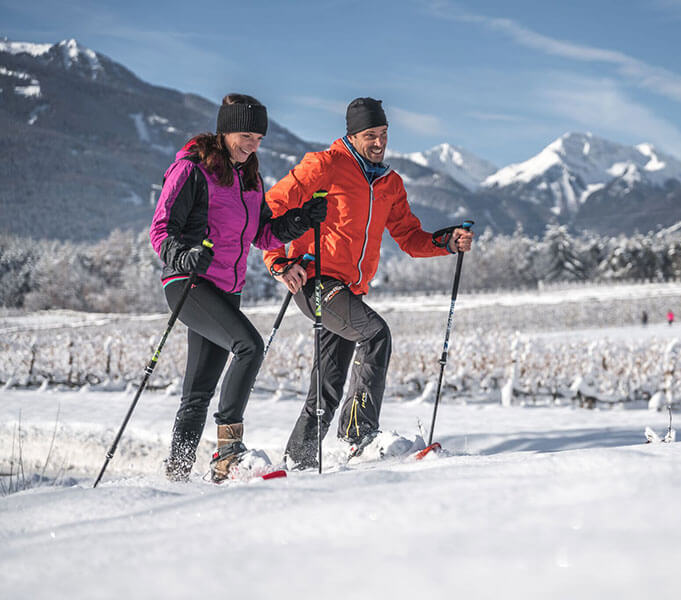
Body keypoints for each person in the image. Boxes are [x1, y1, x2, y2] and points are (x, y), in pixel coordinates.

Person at [263, 97, 474, 470]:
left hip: (349, 290)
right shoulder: (325, 166)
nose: (379, 143)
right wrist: (277, 261)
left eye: (384, 134)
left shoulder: (390, 183)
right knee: (375, 334)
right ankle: (359, 437)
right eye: (370, 135)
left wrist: (445, 242)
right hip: (315, 280)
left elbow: (409, 238)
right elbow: (273, 208)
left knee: (327, 385)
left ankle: (297, 462)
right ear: (352, 134)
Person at [149, 93, 326, 482]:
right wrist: (182, 256)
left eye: (259, 138)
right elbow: (161, 230)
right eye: (246, 135)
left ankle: (176, 474)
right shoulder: (192, 170)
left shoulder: (250, 178)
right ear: (225, 131)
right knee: (249, 345)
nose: (252, 144)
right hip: (189, 281)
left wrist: (299, 219)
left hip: (226, 289)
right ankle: (228, 453)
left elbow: (263, 234)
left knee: (198, 391)